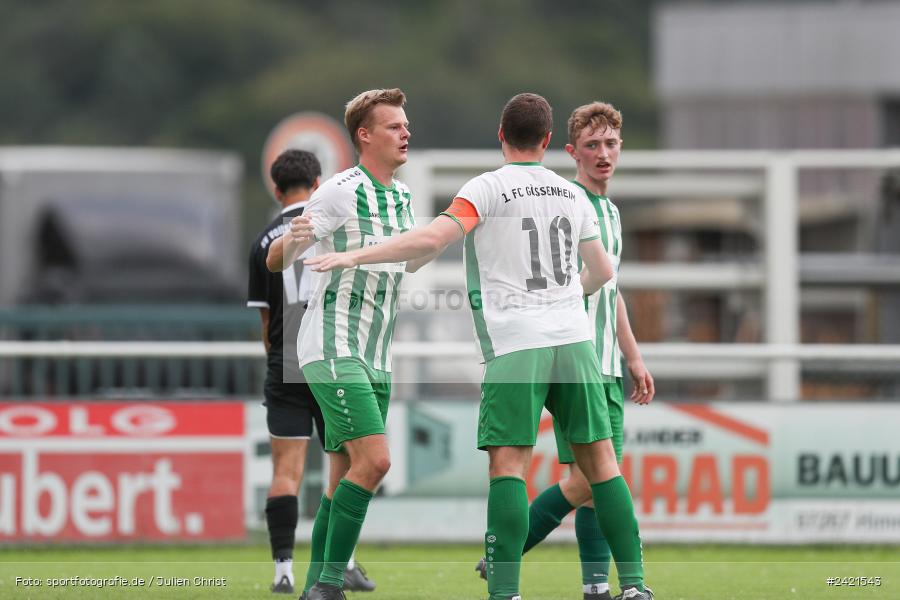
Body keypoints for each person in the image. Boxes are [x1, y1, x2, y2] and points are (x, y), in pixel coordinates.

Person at [306, 93, 652, 600]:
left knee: (509, 466)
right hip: (575, 342)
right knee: (602, 465)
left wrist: (353, 255)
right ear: (549, 141)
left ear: (500, 136)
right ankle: (637, 586)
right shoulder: (571, 193)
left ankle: (505, 592)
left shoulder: (486, 189)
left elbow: (429, 241)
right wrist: (559, 299)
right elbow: (602, 272)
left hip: (517, 345)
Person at [477, 101, 655, 600]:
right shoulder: (566, 199)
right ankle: (508, 558)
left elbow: (608, 288)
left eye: (611, 144)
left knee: (592, 479)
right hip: (570, 354)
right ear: (570, 151)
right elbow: (574, 283)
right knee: (594, 477)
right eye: (592, 145)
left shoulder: (612, 212)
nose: (603, 154)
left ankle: (595, 585)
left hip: (602, 359)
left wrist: (633, 355)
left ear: (621, 148)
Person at [267, 88, 430, 600]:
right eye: (394, 126)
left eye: (406, 125)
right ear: (365, 135)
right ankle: (330, 585)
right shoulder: (341, 190)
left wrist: (433, 244)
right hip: (333, 346)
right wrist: (291, 240)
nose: (406, 133)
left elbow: (407, 260)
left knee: (341, 482)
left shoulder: (402, 196)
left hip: (376, 353)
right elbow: (277, 260)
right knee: (376, 462)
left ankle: (317, 584)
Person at [248, 149, 375, 595]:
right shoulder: (335, 218)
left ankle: (283, 570)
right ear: (318, 183)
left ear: (277, 190)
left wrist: (275, 357)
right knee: (346, 464)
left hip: (284, 362)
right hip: (329, 356)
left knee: (287, 470)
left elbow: (265, 321)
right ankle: (344, 563)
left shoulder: (265, 239)